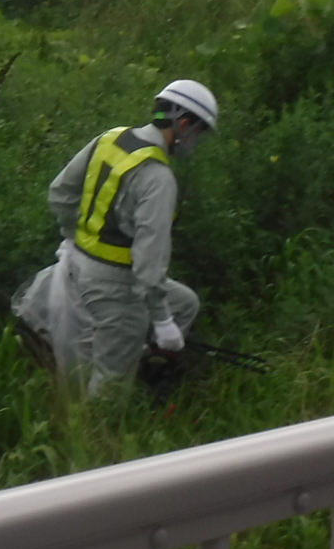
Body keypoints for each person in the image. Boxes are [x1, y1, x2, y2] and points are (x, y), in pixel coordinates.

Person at [11, 79, 218, 397]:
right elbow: (149, 266)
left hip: (76, 265)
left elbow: (60, 192)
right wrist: (162, 322)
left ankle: (139, 365)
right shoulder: (158, 179)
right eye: (198, 133)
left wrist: (74, 237)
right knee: (111, 384)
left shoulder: (112, 138)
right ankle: (97, 433)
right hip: (116, 285)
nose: (196, 143)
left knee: (185, 304)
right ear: (184, 123)